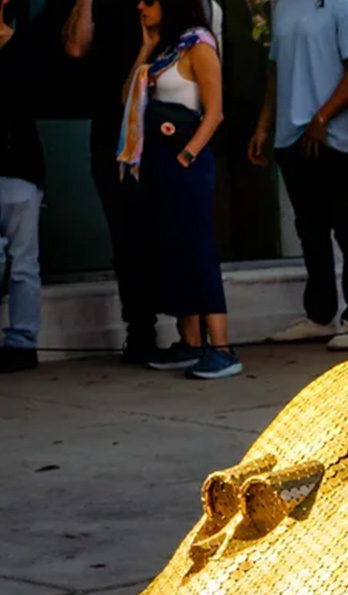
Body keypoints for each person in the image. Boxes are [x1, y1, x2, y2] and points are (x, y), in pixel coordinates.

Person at [248, 0, 348, 351]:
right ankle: (319, 317)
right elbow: (277, 71)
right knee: (310, 229)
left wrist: (322, 118)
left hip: (331, 138)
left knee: (346, 226)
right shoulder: (284, 6)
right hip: (291, 137)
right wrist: (263, 126)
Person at [123, 0, 237, 378]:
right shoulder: (164, 52)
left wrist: (187, 156)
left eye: (150, 0)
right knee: (174, 250)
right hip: (160, 164)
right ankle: (190, 342)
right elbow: (127, 101)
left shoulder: (199, 46)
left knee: (198, 247)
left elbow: (215, 111)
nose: (141, 6)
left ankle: (221, 345)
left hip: (185, 160)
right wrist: (144, 48)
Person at [63, 0, 158, 364]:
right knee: (126, 235)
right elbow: (75, 46)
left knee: (161, 233)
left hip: (157, 127)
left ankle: (191, 330)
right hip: (110, 133)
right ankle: (141, 330)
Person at [0, 0, 42, 374]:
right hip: (18, 169)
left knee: (22, 263)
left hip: (20, 168)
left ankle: (22, 341)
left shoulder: (23, 49)